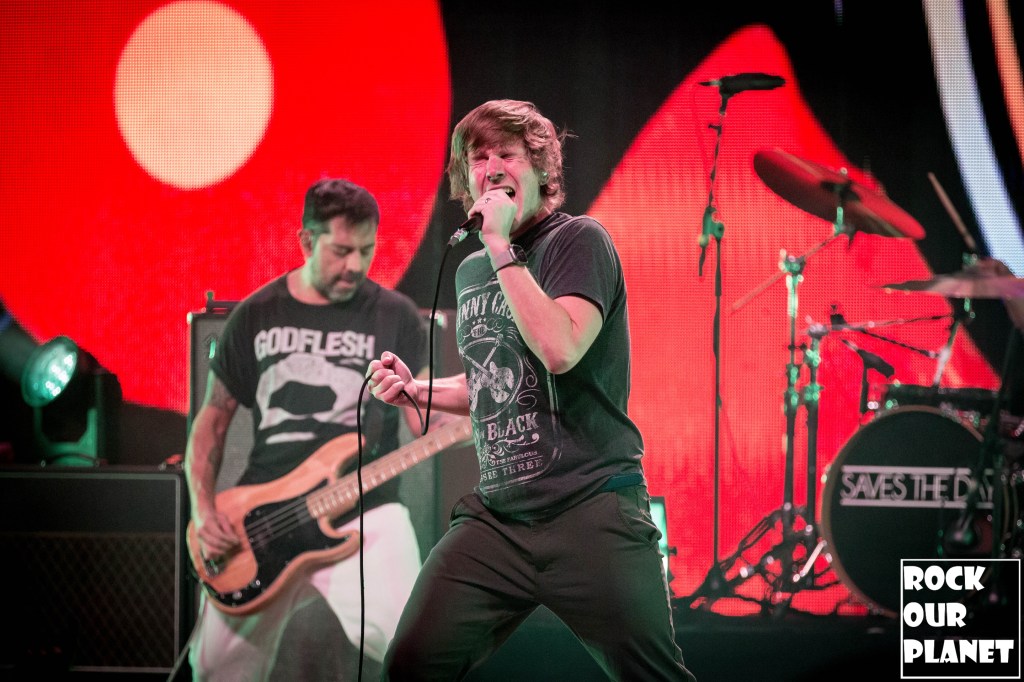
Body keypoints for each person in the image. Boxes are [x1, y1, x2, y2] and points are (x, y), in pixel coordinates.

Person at [366, 99, 696, 681]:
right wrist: (417, 389)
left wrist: (500, 249)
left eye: (508, 155)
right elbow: (495, 380)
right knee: (410, 664)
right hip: (500, 521)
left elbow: (559, 350)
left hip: (591, 508)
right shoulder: (472, 272)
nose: (492, 168)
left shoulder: (578, 242)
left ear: (541, 169)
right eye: (478, 158)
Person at [185, 178, 430, 681]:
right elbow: (211, 422)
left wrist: (461, 414)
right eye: (341, 251)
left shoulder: (396, 315)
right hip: (262, 521)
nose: (355, 266)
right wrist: (204, 509)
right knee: (214, 668)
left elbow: (424, 417)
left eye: (366, 250)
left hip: (366, 510)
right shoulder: (256, 314)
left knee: (415, 647)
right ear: (306, 240)